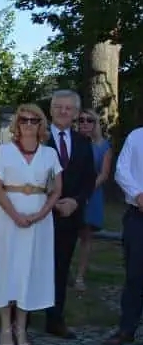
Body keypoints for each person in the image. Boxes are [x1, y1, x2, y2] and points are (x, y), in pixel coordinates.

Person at [0, 105, 62, 345]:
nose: (28, 124)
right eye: (24, 120)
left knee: (28, 268)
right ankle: (5, 326)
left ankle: (22, 327)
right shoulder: (4, 151)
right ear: (17, 124)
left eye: (33, 120)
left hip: (39, 220)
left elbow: (57, 189)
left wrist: (40, 214)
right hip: (8, 217)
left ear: (40, 124)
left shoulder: (49, 154)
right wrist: (15, 215)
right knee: (6, 267)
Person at [44, 89, 97, 338]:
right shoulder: (39, 137)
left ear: (76, 113)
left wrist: (75, 202)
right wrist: (51, 202)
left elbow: (89, 179)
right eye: (59, 107)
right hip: (39, 212)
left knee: (61, 267)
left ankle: (55, 319)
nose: (63, 112)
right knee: (32, 264)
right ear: (51, 109)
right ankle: (19, 318)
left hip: (69, 214)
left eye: (69, 108)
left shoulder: (83, 142)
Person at [102, 125, 143, 345]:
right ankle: (127, 328)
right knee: (135, 274)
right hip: (139, 215)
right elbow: (121, 171)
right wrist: (138, 195)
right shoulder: (136, 137)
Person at [73, 108, 112, 291]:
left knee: (86, 237)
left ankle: (80, 276)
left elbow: (104, 174)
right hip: (70, 193)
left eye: (89, 120)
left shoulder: (103, 146)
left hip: (92, 194)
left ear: (96, 123)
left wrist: (86, 191)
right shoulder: (72, 142)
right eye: (81, 120)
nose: (85, 124)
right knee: (67, 234)